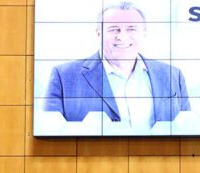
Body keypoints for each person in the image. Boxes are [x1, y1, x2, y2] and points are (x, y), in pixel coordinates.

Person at [43, 1, 190, 128]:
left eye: (131, 29)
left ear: (144, 33)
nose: (122, 37)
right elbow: (49, 130)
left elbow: (186, 130)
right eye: (114, 29)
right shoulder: (63, 77)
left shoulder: (172, 75)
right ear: (98, 33)